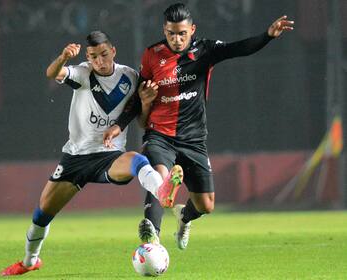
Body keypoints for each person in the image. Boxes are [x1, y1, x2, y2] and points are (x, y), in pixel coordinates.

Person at [103, 3, 294, 249]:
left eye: (182, 33)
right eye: (171, 33)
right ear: (164, 30)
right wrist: (119, 125)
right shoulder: (152, 55)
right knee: (159, 178)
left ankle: (184, 217)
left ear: (192, 30)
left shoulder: (205, 50)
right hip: (160, 135)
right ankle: (152, 241)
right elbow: (139, 98)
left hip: (193, 139)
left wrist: (267, 36)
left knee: (206, 205)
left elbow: (239, 49)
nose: (177, 39)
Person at [0, 30, 184, 276]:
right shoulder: (82, 73)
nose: (100, 61)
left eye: (104, 54)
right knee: (43, 212)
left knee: (137, 160)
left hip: (109, 156)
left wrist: (138, 109)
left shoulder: (129, 76)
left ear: (113, 51)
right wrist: (64, 57)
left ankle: (161, 190)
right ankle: (30, 260)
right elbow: (52, 73)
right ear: (88, 56)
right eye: (94, 56)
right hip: (76, 157)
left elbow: (138, 114)